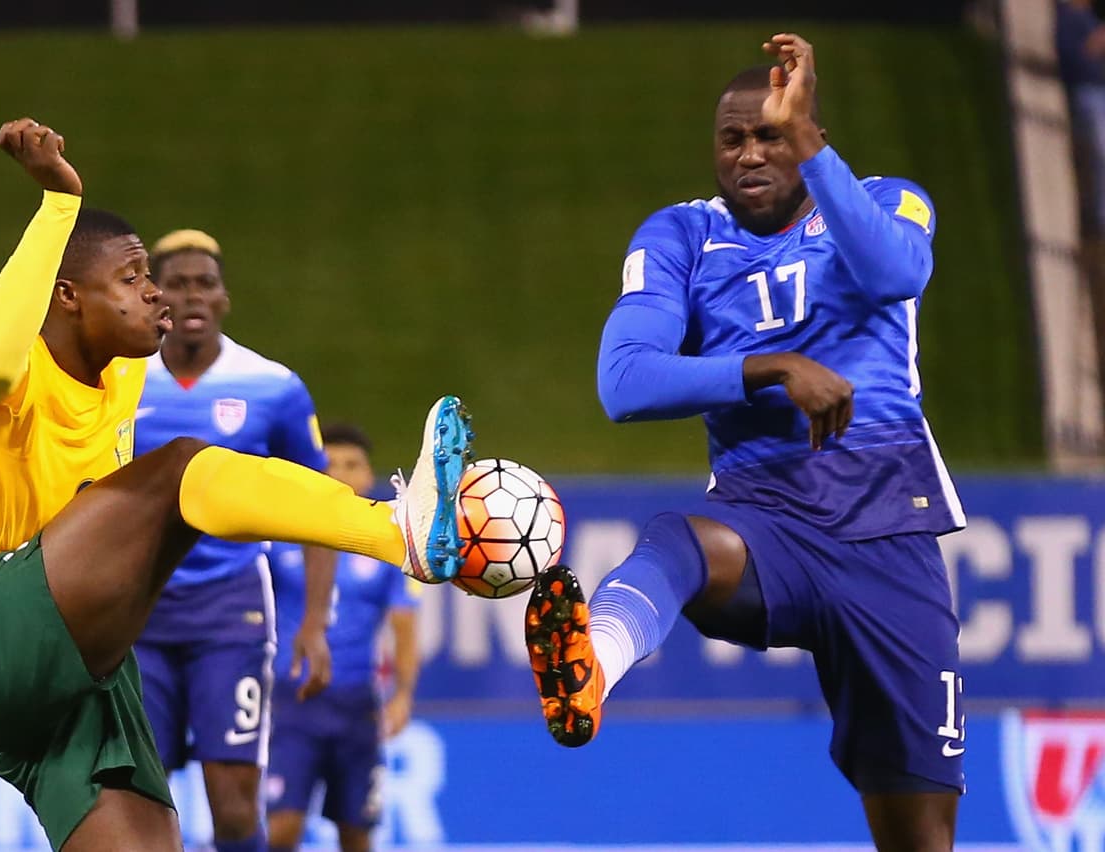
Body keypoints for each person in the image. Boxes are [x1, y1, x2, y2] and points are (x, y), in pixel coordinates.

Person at [0, 118, 472, 852]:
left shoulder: (128, 373)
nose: (158, 298)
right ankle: (397, 529)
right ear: (70, 296)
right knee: (178, 470)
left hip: (72, 688)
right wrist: (57, 203)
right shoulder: (6, 383)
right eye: (135, 279)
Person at [525, 35, 966, 852]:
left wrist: (810, 143)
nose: (750, 154)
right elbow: (624, 381)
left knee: (921, 838)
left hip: (889, 536)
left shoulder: (889, 198)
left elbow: (896, 275)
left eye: (770, 134)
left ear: (808, 135)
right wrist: (769, 368)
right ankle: (593, 664)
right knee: (675, 541)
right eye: (733, 139)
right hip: (768, 523)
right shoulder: (683, 235)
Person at [132, 228, 337, 852]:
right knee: (140, 796)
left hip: (231, 611)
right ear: (152, 296)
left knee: (234, 802)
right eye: (177, 282)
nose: (192, 295)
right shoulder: (118, 384)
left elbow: (320, 506)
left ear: (224, 297)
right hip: (134, 615)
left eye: (206, 283)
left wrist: (314, 624)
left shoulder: (272, 386)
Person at [264, 423, 421, 852]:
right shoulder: (279, 538)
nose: (339, 473)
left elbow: (404, 626)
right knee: (282, 830)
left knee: (356, 833)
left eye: (351, 465)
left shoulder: (388, 545)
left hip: (356, 707)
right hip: (292, 704)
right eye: (328, 463)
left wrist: (403, 694)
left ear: (369, 476)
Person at [1057, 0, 1105, 229]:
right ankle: (1100, 218)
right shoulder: (1068, 17)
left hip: (1098, 91)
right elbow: (1071, 61)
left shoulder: (1090, 20)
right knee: (1101, 147)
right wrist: (1095, 43)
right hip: (1086, 92)